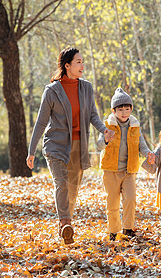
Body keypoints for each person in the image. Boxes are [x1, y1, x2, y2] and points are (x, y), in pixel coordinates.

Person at [26, 47, 114, 245]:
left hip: (78, 145)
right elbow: (41, 122)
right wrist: (31, 151)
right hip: (56, 145)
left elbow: (92, 115)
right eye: (78, 62)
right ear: (67, 65)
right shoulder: (52, 91)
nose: (82, 65)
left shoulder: (86, 88)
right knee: (62, 183)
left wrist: (104, 130)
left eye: (83, 62)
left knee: (73, 189)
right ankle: (65, 223)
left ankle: (65, 225)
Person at [97, 87, 154, 241]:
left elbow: (141, 145)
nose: (124, 112)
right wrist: (105, 140)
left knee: (130, 199)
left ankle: (128, 228)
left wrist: (148, 154)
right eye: (120, 109)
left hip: (129, 170)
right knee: (113, 202)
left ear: (131, 109)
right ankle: (114, 231)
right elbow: (99, 145)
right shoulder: (107, 125)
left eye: (127, 109)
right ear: (113, 110)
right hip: (111, 170)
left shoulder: (135, 125)